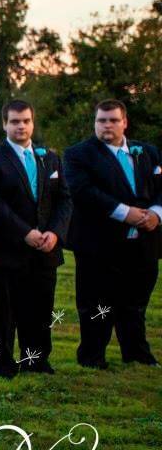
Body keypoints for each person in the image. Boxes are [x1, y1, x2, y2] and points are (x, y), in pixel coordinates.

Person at [0, 100, 72, 377]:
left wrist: (54, 233)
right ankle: (2, 363)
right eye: (15, 121)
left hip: (45, 248)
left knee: (41, 309)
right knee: (3, 313)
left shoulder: (50, 158)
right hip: (4, 250)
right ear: (4, 124)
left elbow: (64, 200)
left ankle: (36, 360)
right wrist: (25, 233)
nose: (21, 126)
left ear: (33, 122)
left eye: (26, 121)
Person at [63, 99, 162, 368]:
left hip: (143, 242)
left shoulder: (149, 152)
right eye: (101, 120)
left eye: (113, 120)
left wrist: (156, 213)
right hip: (98, 244)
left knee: (135, 302)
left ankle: (137, 354)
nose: (107, 125)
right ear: (95, 123)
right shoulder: (78, 155)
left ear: (124, 122)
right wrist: (124, 212)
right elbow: (83, 192)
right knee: (97, 303)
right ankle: (93, 357)